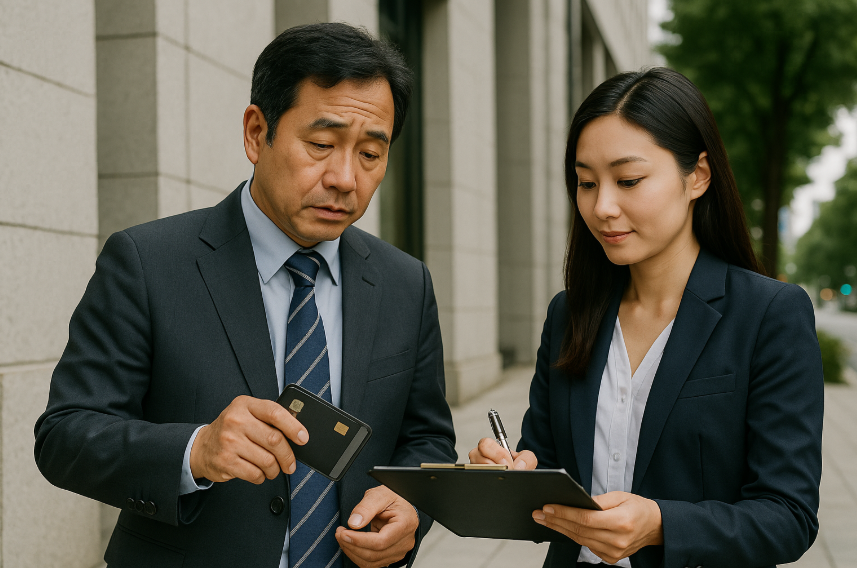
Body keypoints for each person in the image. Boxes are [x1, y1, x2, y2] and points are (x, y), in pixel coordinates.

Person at [34, 22, 456, 568]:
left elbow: (427, 440)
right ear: (257, 133)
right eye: (321, 145)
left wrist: (413, 508)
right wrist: (196, 451)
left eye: (371, 154)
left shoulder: (406, 283)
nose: (345, 178)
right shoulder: (147, 262)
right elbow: (65, 436)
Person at [469, 68, 823, 568]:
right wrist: (511, 472)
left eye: (628, 180)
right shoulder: (569, 313)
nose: (602, 207)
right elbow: (545, 468)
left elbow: (788, 516)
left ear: (697, 176)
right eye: (586, 183)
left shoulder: (770, 315)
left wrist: (661, 525)